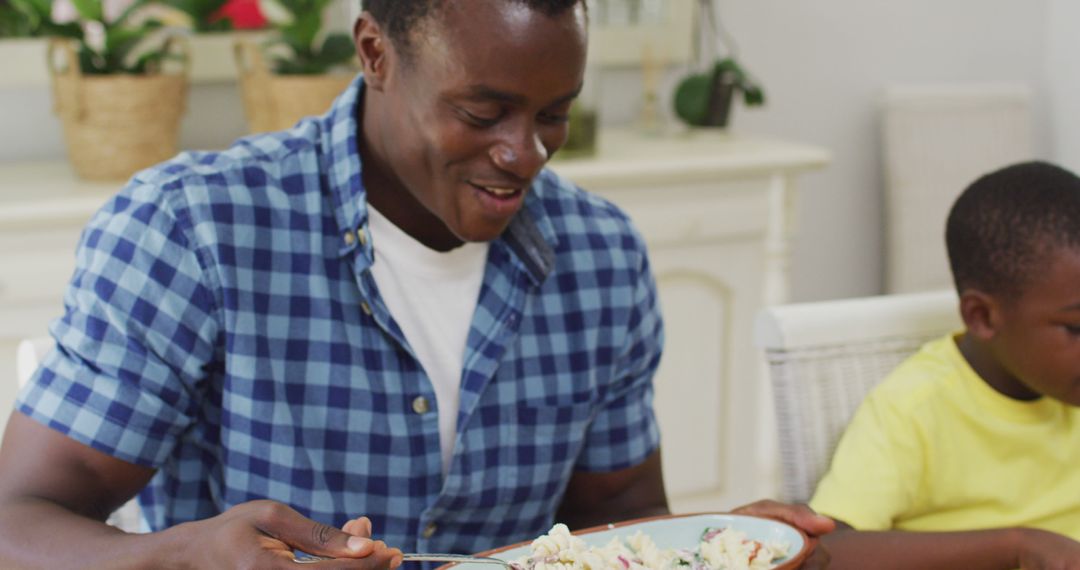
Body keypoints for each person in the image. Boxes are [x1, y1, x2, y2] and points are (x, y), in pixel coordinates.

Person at [0, 0, 833, 568]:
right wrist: (170, 556)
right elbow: (16, 522)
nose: (527, 154)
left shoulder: (601, 256)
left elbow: (618, 532)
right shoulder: (191, 232)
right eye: (483, 113)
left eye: (555, 113)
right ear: (376, 54)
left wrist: (720, 542)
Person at [810, 161, 1080, 569]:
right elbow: (825, 554)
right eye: (1076, 327)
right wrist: (1017, 546)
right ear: (983, 317)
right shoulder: (913, 408)